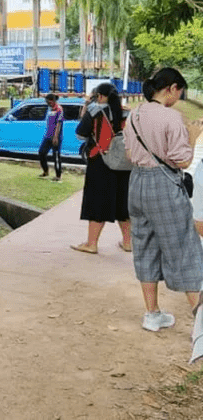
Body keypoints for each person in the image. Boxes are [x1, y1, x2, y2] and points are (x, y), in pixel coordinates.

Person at [123, 67, 203, 332]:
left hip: (136, 183)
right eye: (179, 92)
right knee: (184, 247)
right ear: (171, 88)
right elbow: (182, 160)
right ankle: (200, 321)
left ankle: (152, 314)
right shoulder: (172, 117)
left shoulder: (134, 114)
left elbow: (128, 152)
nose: (178, 98)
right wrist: (192, 137)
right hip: (164, 184)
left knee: (144, 245)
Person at [70, 83, 132, 254]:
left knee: (97, 202)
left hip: (101, 161)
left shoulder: (94, 111)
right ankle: (128, 242)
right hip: (124, 163)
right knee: (122, 202)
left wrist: (86, 108)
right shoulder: (128, 113)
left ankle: (91, 243)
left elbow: (80, 134)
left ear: (100, 96)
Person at [38, 93, 64, 182]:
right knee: (41, 152)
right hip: (47, 136)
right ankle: (45, 171)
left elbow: (59, 124)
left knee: (56, 156)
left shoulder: (59, 109)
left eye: (47, 101)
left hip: (55, 137)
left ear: (52, 101)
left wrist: (56, 137)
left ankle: (58, 176)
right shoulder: (49, 109)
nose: (46, 102)